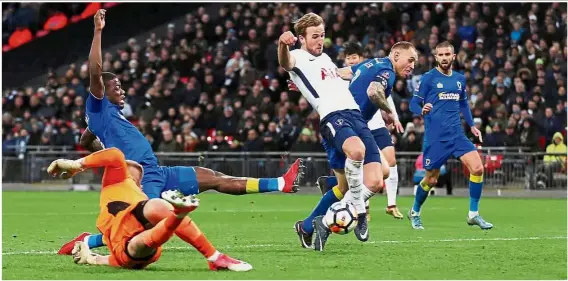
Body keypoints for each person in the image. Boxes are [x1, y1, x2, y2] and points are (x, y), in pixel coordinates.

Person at [59, 9, 304, 255]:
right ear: (102, 89)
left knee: (214, 178)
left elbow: (86, 138)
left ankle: (280, 183)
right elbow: (95, 70)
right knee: (145, 224)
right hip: (141, 178)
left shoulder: (103, 116)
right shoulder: (99, 106)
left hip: (158, 171)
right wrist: (98, 31)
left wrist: (107, 159)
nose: (121, 91)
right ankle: (89, 241)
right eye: (117, 87)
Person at [278, 13, 385, 250]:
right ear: (301, 39)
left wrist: (362, 69)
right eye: (315, 36)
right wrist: (282, 45)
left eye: (323, 35)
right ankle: (359, 212)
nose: (320, 41)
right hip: (333, 118)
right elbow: (286, 63)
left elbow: (336, 76)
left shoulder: (325, 58)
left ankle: (307, 226)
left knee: (375, 181)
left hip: (355, 116)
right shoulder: (296, 55)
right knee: (356, 152)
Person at [48, 148, 251, 271]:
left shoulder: (141, 196)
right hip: (125, 248)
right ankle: (181, 217)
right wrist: (76, 164)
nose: (133, 173)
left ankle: (212, 255)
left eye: (137, 173)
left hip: (129, 242)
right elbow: (114, 155)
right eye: (131, 169)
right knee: (142, 236)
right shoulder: (115, 184)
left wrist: (91, 253)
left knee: (155, 209)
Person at [310, 41, 406, 223]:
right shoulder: (382, 71)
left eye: (354, 57)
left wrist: (391, 113)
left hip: (361, 126)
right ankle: (329, 216)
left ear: (361, 58)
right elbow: (372, 91)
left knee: (382, 171)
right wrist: (390, 113)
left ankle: (339, 207)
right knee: (356, 182)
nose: (352, 61)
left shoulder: (371, 67)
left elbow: (379, 92)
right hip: (346, 126)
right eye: (348, 58)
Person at [408, 41, 492, 230]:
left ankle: (473, 214)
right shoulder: (428, 78)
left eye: (448, 54)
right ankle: (415, 212)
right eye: (441, 55)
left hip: (457, 136)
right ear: (436, 57)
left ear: (453, 57)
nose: (444, 58)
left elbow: (463, 104)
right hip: (436, 138)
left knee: (477, 168)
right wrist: (422, 109)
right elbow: (413, 103)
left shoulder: (460, 79)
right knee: (431, 179)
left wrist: (471, 126)